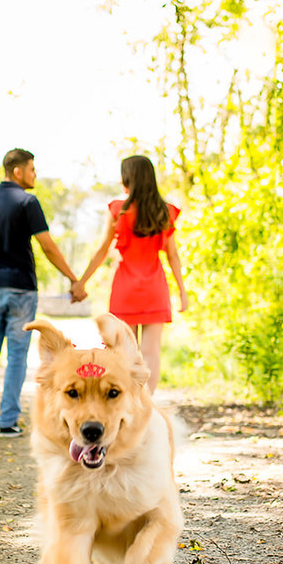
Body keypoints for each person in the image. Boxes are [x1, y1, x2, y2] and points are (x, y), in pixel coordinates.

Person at [0, 148, 84, 438]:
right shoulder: (27, 202)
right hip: (21, 288)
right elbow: (47, 245)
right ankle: (8, 422)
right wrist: (73, 279)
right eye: (32, 168)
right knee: (17, 354)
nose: (35, 174)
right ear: (17, 171)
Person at [74, 155, 188, 394]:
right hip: (155, 288)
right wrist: (182, 292)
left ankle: (127, 403)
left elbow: (102, 250)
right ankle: (145, 404)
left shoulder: (117, 209)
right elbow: (173, 256)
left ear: (127, 178)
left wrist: (81, 282)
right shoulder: (165, 211)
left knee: (124, 352)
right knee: (151, 352)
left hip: (125, 288)